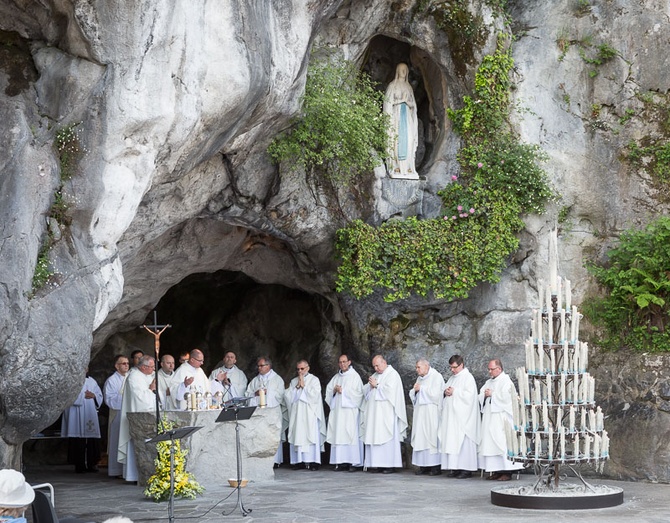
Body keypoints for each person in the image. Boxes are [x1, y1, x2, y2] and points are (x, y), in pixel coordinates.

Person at [360, 354, 408, 473]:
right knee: (374, 435)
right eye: (374, 366)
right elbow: (365, 390)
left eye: (377, 365)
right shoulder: (376, 375)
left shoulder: (392, 374)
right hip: (374, 414)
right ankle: (376, 464)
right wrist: (371, 387)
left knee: (387, 438)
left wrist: (377, 385)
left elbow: (391, 392)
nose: (375, 368)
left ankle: (389, 465)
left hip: (386, 413)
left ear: (384, 362)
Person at [478, 359, 523, 481]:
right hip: (490, 417)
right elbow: (481, 394)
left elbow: (509, 399)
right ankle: (496, 470)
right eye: (489, 369)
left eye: (492, 369)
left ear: (499, 369)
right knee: (491, 443)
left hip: (501, 418)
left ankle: (507, 472)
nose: (489, 372)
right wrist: (485, 395)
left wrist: (493, 394)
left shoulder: (506, 382)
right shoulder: (489, 382)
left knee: (502, 443)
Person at [439, 354, 480, 479]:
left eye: (454, 367)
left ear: (461, 365)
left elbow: (470, 397)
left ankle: (466, 469)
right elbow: (445, 390)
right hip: (451, 417)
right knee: (452, 440)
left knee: (463, 443)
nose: (452, 370)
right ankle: (455, 468)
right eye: (451, 367)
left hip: (463, 419)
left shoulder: (468, 378)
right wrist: (445, 392)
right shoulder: (452, 378)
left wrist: (455, 392)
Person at [118, 355, 157, 482]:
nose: (153, 369)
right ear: (144, 367)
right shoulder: (134, 377)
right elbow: (139, 399)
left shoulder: (150, 375)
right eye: (151, 367)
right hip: (138, 418)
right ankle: (133, 475)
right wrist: (151, 389)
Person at [324, 354, 364, 472]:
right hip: (338, 413)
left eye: (344, 362)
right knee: (339, 434)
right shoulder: (336, 377)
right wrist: (334, 391)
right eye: (340, 362)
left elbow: (359, 394)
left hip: (350, 412)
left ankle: (353, 463)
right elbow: (328, 392)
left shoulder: (355, 376)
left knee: (350, 435)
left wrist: (344, 391)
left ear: (349, 362)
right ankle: (340, 462)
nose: (342, 364)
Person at [284, 360, 326, 471]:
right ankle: (298, 462)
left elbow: (315, 395)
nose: (300, 371)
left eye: (302, 369)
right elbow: (288, 396)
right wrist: (298, 386)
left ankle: (313, 462)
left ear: (308, 368)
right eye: (298, 369)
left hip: (310, 413)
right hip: (297, 414)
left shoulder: (314, 380)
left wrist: (305, 387)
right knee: (298, 434)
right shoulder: (294, 381)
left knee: (311, 435)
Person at [246, 356, 287, 467]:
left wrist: (268, 392)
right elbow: (247, 395)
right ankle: (262, 461)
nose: (259, 368)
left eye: (261, 366)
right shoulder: (255, 380)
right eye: (258, 366)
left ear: (268, 366)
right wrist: (255, 394)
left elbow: (281, 395)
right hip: (259, 414)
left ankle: (275, 461)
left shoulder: (277, 379)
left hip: (272, 413)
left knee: (273, 435)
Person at [61, 368, 103, 473]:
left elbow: (99, 395)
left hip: (89, 412)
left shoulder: (92, 381)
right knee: (77, 440)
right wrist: (83, 395)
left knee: (91, 440)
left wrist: (93, 396)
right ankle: (79, 465)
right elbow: (67, 395)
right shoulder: (71, 380)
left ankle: (91, 463)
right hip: (75, 413)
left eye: (86, 366)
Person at [409, 358, 444, 476]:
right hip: (421, 412)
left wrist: (422, 389)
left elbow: (436, 395)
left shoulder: (436, 376)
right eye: (416, 367)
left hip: (431, 412)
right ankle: (423, 465)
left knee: (431, 437)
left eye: (419, 367)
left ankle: (435, 466)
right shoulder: (420, 378)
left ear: (426, 366)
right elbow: (415, 392)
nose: (417, 370)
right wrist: (415, 391)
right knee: (421, 437)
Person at [383, 62, 419, 180]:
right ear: (397, 71)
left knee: (408, 141)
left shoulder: (409, 87)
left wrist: (408, 103)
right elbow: (387, 103)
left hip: (407, 117)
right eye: (401, 69)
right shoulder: (392, 85)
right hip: (396, 117)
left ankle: (408, 167)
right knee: (396, 140)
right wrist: (399, 102)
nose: (403, 72)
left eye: (405, 69)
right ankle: (396, 166)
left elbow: (413, 104)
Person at [104, 355, 130, 477]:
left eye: (127, 363)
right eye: (123, 363)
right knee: (117, 442)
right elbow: (109, 399)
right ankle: (116, 470)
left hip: (128, 414)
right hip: (117, 414)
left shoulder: (130, 378)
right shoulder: (112, 380)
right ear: (117, 366)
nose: (126, 365)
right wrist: (126, 396)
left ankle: (125, 470)